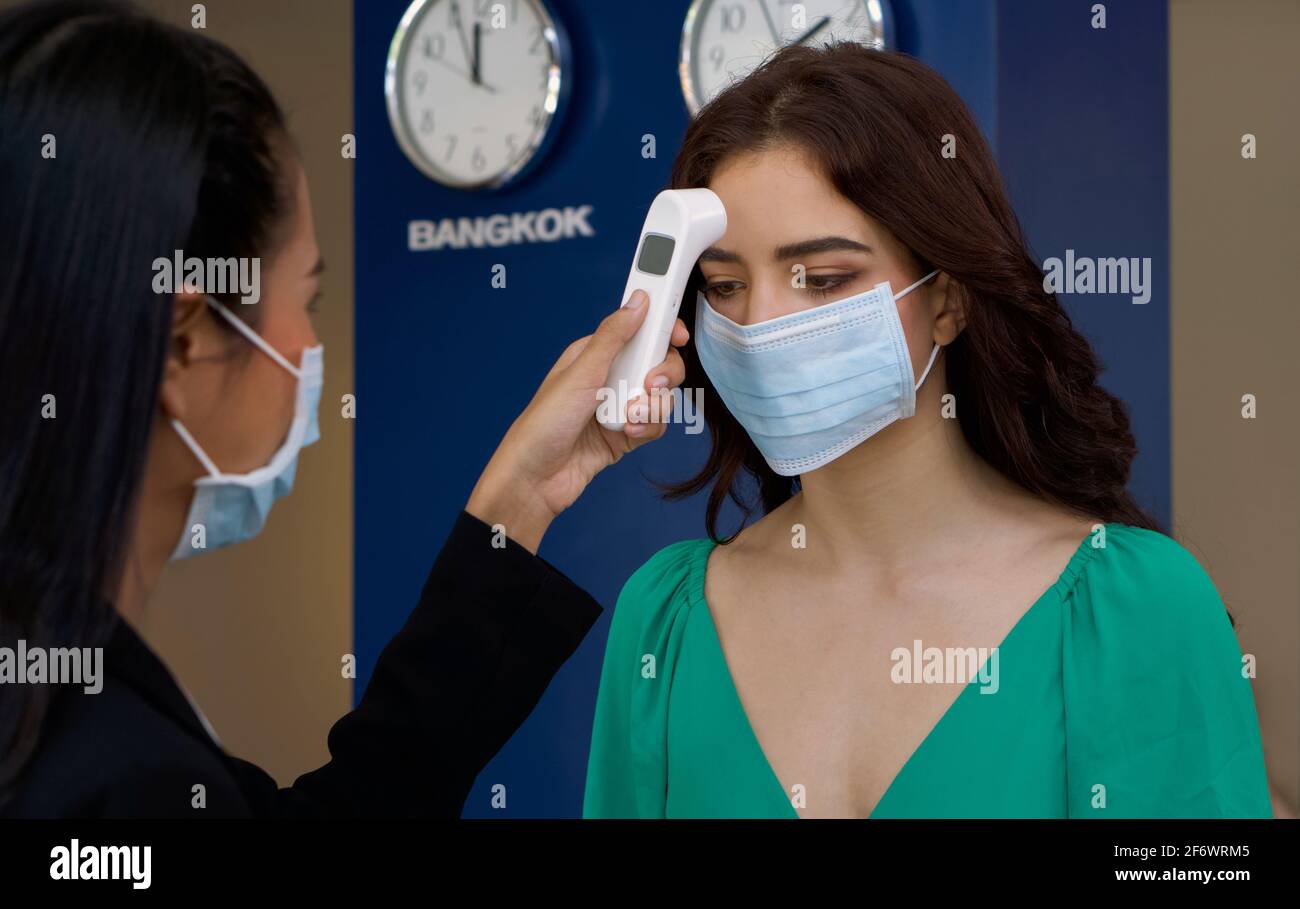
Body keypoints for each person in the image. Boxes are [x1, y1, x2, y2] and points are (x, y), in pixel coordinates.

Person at [0, 0, 686, 817]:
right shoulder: (112, 782)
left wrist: (521, 502)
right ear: (186, 342)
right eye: (309, 297)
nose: (310, 346)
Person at [582, 43, 1274, 818]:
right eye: (725, 285)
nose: (762, 324)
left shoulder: (1133, 609)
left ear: (947, 298)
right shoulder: (666, 622)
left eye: (824, 276)